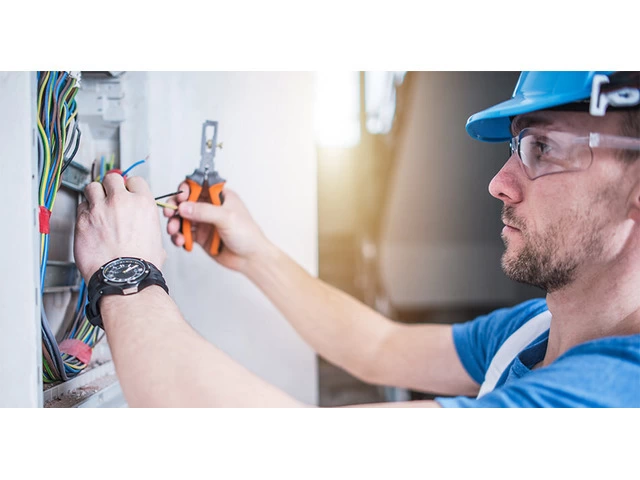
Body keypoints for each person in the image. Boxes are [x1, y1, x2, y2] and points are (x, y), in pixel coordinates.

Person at [73, 71, 640, 407]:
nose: (498, 182)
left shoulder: (612, 397)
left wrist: (126, 276)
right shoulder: (533, 331)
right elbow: (379, 348)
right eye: (514, 146)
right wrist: (256, 254)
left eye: (543, 148)